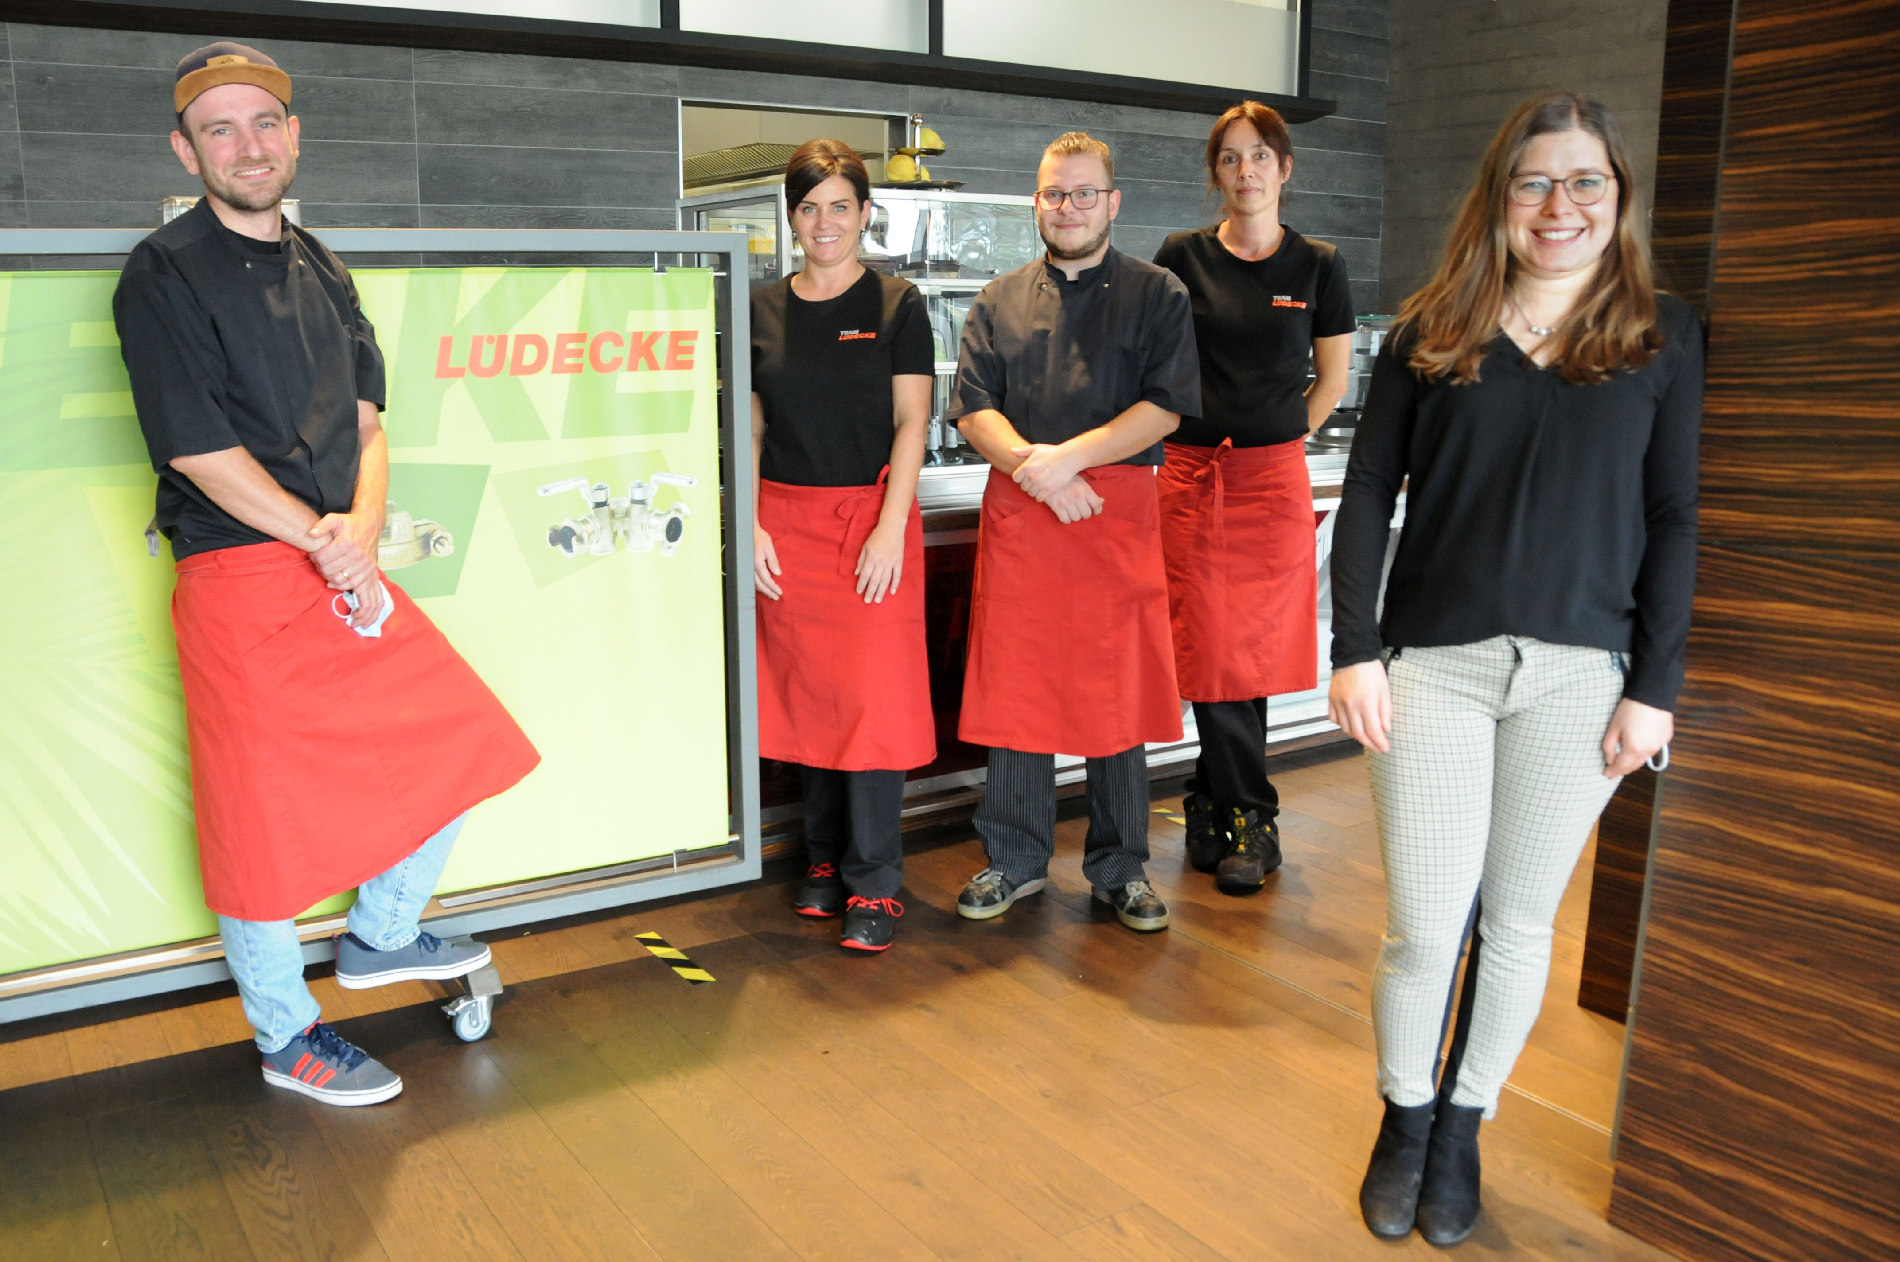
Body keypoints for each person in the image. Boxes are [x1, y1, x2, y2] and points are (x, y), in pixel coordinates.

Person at [113, 43, 540, 1106]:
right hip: (238, 571)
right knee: (255, 810)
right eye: (220, 128)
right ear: (185, 147)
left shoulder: (322, 262)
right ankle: (284, 1034)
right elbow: (195, 447)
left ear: (295, 134)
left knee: (457, 732)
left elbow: (365, 419)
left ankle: (379, 935)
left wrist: (359, 526)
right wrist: (323, 537)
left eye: (265, 122)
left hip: (330, 552)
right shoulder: (161, 272)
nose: (247, 145)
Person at [1329, 93, 1702, 1245]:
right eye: (1535, 182)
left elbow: (1675, 515)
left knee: (1522, 923)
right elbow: (1365, 498)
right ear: (1499, 198)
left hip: (1582, 679)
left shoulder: (1662, 334)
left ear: (1617, 197)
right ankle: (1403, 1113)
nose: (1560, 205)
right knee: (1425, 927)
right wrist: (1352, 648)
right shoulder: (1431, 327)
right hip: (1434, 666)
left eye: (1584, 181)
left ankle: (1464, 1125)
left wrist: (1655, 687)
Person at [949, 131, 1200, 933]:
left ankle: (1120, 866)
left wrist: (1068, 466)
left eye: (1084, 193)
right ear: (1037, 200)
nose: (1069, 207)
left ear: (1112, 202)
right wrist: (1037, 471)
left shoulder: (1159, 293)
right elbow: (973, 405)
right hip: (1027, 516)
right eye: (1055, 193)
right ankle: (1015, 859)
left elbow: (1164, 406)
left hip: (1114, 517)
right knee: (1017, 690)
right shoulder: (998, 298)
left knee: (1115, 695)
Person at [1153, 101, 1354, 895]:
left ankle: (1220, 805)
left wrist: (1276, 439)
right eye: (1231, 159)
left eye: (1259, 157)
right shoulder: (1181, 257)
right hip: (1191, 473)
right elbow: (1156, 365)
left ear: (1285, 168)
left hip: (1269, 480)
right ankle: (1245, 813)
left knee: (1251, 648)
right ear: (1217, 175)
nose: (1246, 172)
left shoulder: (1319, 265)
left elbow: (1332, 380)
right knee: (1208, 641)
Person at [751, 138, 936, 953]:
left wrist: (891, 526)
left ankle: (876, 880)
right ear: (792, 218)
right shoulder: (757, 307)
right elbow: (751, 426)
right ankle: (823, 860)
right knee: (807, 698)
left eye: (839, 206)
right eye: (808, 207)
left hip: (871, 522)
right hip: (783, 523)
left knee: (872, 708)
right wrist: (749, 520)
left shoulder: (898, 305)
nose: (823, 222)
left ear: (865, 213)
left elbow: (912, 423)